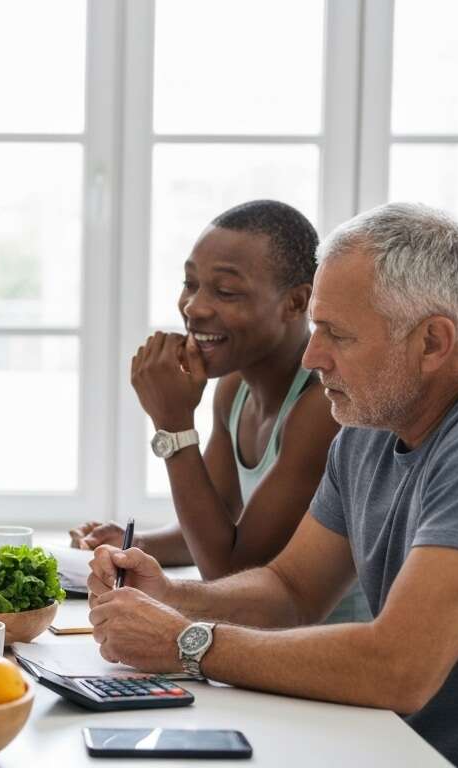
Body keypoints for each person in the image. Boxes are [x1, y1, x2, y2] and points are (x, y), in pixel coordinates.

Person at [88, 203, 458, 766]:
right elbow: (291, 591)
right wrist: (172, 599)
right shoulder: (370, 422)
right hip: (386, 744)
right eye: (316, 327)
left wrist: (185, 643)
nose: (313, 356)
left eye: (337, 334)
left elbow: (399, 666)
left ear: (433, 342)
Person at [70, 200, 368, 622]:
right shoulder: (235, 390)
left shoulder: (323, 407)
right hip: (263, 648)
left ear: (298, 302)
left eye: (225, 291)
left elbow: (228, 571)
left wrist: (173, 427)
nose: (194, 307)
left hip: (319, 662)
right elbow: (216, 529)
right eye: (190, 284)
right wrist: (134, 546)